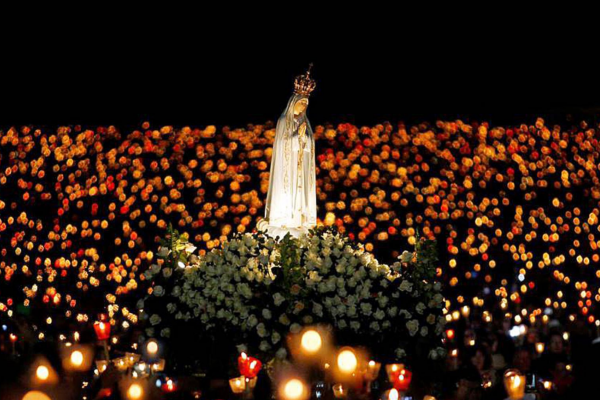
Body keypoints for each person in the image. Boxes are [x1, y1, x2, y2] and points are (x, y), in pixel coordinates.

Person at [263, 65, 317, 238]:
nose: (302, 108)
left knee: (300, 193)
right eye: (301, 103)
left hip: (300, 167)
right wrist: (296, 136)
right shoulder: (283, 121)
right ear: (293, 103)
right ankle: (285, 217)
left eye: (305, 105)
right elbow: (282, 145)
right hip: (288, 167)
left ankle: (300, 218)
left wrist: (304, 137)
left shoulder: (305, 123)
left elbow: (310, 146)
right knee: (289, 192)